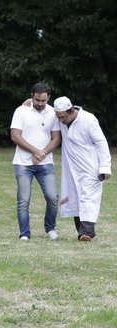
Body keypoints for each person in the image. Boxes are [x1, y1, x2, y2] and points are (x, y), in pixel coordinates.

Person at [53, 97, 111, 241]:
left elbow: (101, 142)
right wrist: (28, 103)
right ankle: (83, 232)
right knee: (74, 199)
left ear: (71, 111)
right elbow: (43, 110)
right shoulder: (60, 118)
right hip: (71, 167)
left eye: (63, 117)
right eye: (58, 117)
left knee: (88, 199)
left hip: (91, 167)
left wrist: (105, 167)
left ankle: (86, 233)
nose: (61, 120)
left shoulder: (88, 120)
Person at [10, 83, 61, 241]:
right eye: (37, 100)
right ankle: (24, 233)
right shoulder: (21, 110)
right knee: (24, 200)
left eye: (43, 100)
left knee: (52, 197)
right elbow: (15, 136)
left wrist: (43, 152)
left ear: (48, 98)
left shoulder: (53, 112)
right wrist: (35, 151)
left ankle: (50, 228)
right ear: (31, 96)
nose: (40, 103)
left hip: (46, 163)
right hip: (23, 163)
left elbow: (57, 138)